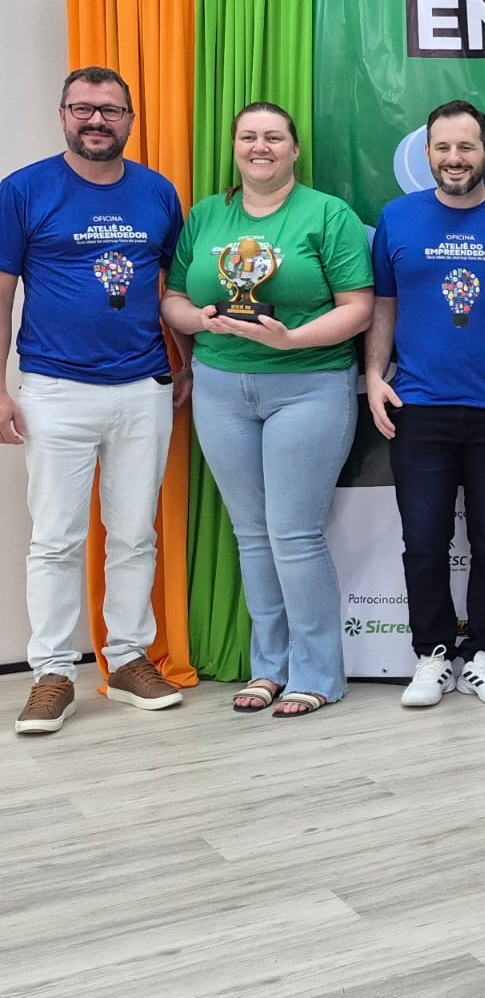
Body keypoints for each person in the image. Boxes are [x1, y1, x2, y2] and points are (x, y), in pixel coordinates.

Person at [161, 102, 374, 718]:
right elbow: (172, 298)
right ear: (234, 147)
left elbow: (358, 307)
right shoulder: (207, 214)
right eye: (249, 136)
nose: (261, 146)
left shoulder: (327, 214)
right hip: (220, 387)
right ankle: (269, 668)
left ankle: (318, 674)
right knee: (251, 535)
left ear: (294, 149)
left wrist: (291, 340)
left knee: (293, 534)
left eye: (274, 137)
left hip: (308, 385)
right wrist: (199, 320)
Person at [1, 66, 187, 734]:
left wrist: (183, 363)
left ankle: (129, 659)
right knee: (55, 539)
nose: (96, 121)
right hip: (55, 389)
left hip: (142, 386)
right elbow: (2, 294)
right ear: (63, 116)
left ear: (129, 119)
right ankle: (52, 672)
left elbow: (172, 287)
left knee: (135, 534)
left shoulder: (158, 192)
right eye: (83, 109)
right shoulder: (23, 191)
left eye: (110, 110)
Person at [367, 100, 485, 709]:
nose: (454, 158)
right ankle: (433, 655)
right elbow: (384, 306)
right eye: (443, 147)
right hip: (418, 406)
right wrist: (373, 374)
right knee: (424, 541)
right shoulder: (398, 218)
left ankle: (484, 654)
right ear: (427, 154)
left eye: (466, 146)